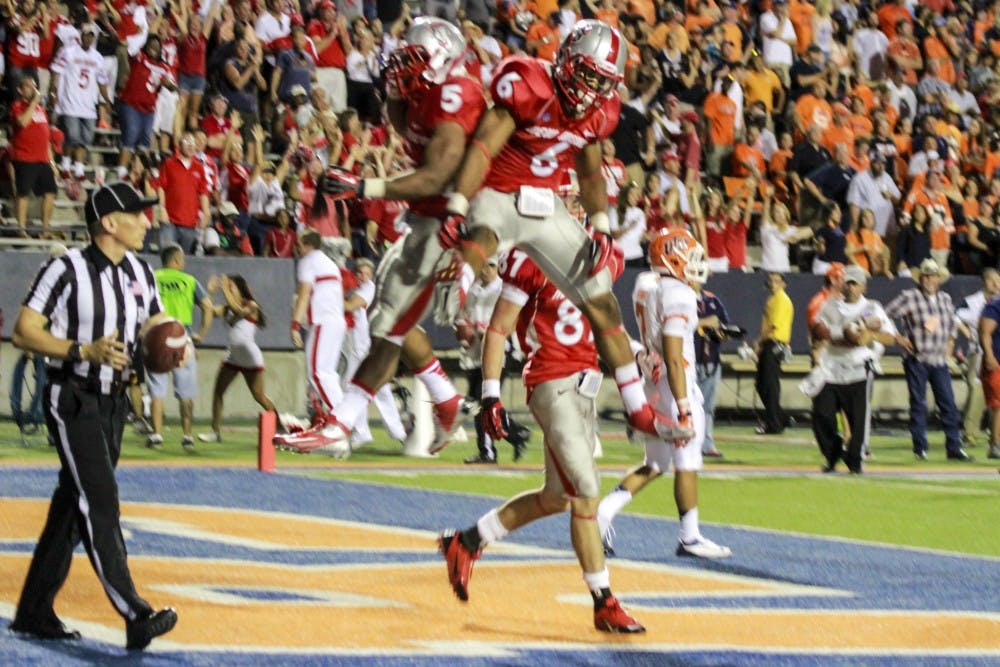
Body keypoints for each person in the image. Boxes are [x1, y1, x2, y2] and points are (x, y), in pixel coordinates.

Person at [434, 19, 680, 442]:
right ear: (566, 59)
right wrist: (457, 203)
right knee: (489, 230)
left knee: (601, 301)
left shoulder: (600, 112)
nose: (589, 88)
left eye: (601, 81)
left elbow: (589, 173)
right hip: (500, 186)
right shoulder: (530, 83)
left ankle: (638, 410)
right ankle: (459, 275)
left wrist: (601, 225)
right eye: (586, 73)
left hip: (547, 204)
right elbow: (483, 147)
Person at [296, 18, 487, 453]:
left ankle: (343, 422)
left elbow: (437, 177)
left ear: (442, 59)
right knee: (386, 322)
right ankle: (446, 398)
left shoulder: (457, 93)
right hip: (429, 217)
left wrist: (365, 186)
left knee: (390, 324)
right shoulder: (422, 98)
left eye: (412, 60)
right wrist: (397, 93)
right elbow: (405, 130)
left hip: (459, 218)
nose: (401, 69)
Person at [437, 244, 646, 634]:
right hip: (551, 382)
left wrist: (636, 353)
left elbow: (600, 322)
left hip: (586, 386)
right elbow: (498, 328)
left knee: (556, 498)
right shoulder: (531, 258)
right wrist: (491, 394)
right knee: (586, 492)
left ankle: (467, 540)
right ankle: (604, 602)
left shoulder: (602, 254)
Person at [9, 181, 177, 649]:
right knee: (100, 499)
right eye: (138, 214)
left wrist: (169, 345)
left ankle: (33, 611)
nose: (148, 221)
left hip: (114, 401)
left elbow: (152, 324)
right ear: (109, 223)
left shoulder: (142, 272)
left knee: (72, 506)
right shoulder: (65, 268)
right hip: (73, 397)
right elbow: (24, 331)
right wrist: (82, 349)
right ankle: (134, 612)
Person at [597, 229, 731, 560]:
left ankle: (603, 513)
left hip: (652, 384)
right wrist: (684, 405)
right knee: (686, 463)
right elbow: (672, 353)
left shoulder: (646, 283)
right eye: (691, 256)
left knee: (655, 463)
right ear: (673, 258)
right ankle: (690, 536)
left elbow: (658, 338)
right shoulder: (681, 295)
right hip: (675, 383)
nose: (697, 264)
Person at [885, 258, 973, 462]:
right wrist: (899, 337)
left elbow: (951, 323)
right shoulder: (910, 296)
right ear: (920, 278)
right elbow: (885, 313)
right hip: (917, 357)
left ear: (938, 278)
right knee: (918, 404)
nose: (929, 279)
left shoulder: (945, 298)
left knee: (948, 405)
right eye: (925, 275)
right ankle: (920, 447)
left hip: (939, 359)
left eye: (932, 275)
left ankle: (954, 447)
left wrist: (950, 344)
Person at [812, 265, 897, 474]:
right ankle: (832, 453)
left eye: (854, 283)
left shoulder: (871, 308)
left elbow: (890, 336)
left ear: (863, 287)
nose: (849, 287)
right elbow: (820, 332)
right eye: (847, 282)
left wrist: (872, 336)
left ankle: (855, 460)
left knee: (858, 419)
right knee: (821, 413)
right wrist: (819, 346)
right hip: (832, 367)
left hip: (859, 366)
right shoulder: (830, 306)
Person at [274, 229, 348, 454]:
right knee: (329, 375)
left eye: (298, 244)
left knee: (318, 374)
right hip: (336, 321)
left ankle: (339, 426)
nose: (296, 247)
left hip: (324, 322)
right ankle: (339, 423)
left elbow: (305, 292)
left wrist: (295, 324)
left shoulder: (309, 261)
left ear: (306, 244)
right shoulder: (330, 263)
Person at [457, 259, 530, 463]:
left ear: (499, 267)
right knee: (475, 404)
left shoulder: (504, 288)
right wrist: (464, 331)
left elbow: (515, 319)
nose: (486, 270)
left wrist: (484, 331)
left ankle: (489, 451)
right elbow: (465, 319)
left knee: (482, 401)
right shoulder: (475, 289)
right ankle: (515, 434)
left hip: (500, 350)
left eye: (491, 266)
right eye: (484, 265)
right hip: (476, 353)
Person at [146, 244, 213, 451]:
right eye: (181, 259)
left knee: (157, 390)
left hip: (156, 336)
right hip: (182, 338)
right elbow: (208, 307)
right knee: (186, 392)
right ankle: (187, 436)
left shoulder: (151, 278)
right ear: (176, 261)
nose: (183, 263)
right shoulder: (189, 281)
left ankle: (156, 434)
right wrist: (200, 334)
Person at [198, 274, 276, 443]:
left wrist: (224, 288)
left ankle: (281, 429)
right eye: (228, 286)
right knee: (218, 391)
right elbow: (209, 311)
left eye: (231, 286)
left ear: (240, 289)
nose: (228, 288)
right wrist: (210, 293)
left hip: (249, 356)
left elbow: (239, 311)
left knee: (259, 396)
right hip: (233, 356)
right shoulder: (228, 307)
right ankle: (215, 431)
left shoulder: (252, 305)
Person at [955, 268, 1000, 449]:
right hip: (979, 352)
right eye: (991, 280)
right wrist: (968, 334)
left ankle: (993, 434)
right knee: (977, 391)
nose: (995, 283)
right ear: (984, 282)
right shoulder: (973, 301)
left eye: (998, 279)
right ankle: (970, 433)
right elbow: (955, 317)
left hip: (993, 351)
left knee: (995, 398)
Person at [694, 281, 735, 458]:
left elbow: (724, 327)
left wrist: (721, 333)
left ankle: (706, 443)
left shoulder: (712, 300)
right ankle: (686, 444)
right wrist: (705, 322)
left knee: (707, 406)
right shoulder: (681, 297)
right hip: (687, 359)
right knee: (686, 405)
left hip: (710, 360)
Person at [755, 272, 794, 435]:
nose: (773, 283)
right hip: (770, 344)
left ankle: (774, 423)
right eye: (770, 281)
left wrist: (759, 342)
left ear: (784, 284)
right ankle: (781, 418)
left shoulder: (780, 299)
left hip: (774, 344)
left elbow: (773, 326)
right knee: (763, 384)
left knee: (769, 386)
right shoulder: (772, 299)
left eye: (777, 281)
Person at [976, 292, 1000, 460]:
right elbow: (985, 331)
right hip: (997, 360)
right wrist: (989, 355)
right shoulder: (995, 305)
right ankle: (995, 444)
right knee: (998, 405)